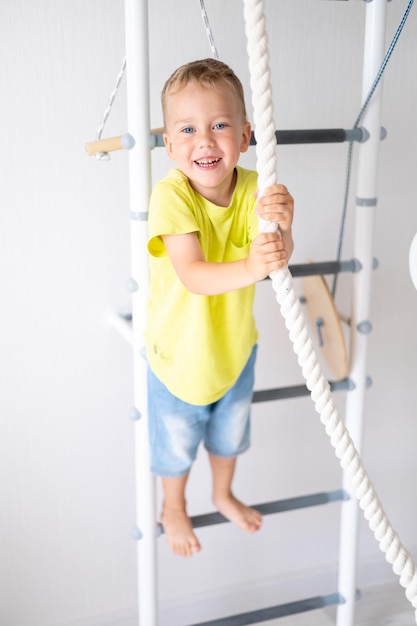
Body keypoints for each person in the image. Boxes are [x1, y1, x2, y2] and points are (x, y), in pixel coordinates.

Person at [145, 58, 294, 558]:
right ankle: (172, 505)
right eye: (187, 129)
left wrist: (283, 226)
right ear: (169, 145)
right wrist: (254, 267)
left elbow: (273, 258)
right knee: (176, 443)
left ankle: (222, 491)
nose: (204, 141)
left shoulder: (256, 190)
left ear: (246, 135)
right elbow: (193, 274)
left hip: (233, 351)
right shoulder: (171, 195)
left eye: (220, 125)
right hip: (179, 359)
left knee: (230, 434)